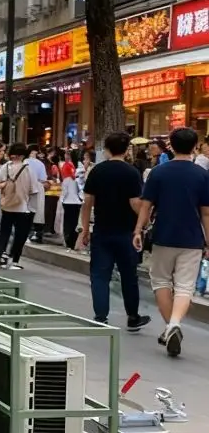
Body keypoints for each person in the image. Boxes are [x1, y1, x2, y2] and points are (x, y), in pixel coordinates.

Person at [134, 126, 209, 358]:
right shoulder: (202, 175)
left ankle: (171, 327)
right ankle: (174, 324)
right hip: (192, 238)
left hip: (163, 235)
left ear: (171, 146)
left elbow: (146, 205)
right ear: (195, 146)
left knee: (161, 281)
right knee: (185, 286)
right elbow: (206, 213)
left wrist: (138, 230)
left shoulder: (158, 172)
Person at [76, 133, 150, 331]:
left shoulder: (97, 171)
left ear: (106, 149)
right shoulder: (131, 172)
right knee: (129, 275)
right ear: (126, 150)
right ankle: (132, 317)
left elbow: (87, 202)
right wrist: (143, 224)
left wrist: (85, 229)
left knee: (100, 275)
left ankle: (100, 317)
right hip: (126, 232)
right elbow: (135, 203)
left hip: (102, 230)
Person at [0, 143, 36, 270]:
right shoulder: (28, 169)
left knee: (4, 232)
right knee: (20, 235)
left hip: (7, 205)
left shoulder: (4, 168)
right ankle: (14, 261)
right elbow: (33, 189)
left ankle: (1, 257)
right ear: (23, 155)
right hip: (23, 207)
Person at [59, 150, 83, 250]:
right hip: (77, 202)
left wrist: (61, 200)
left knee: (68, 223)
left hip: (68, 202)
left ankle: (68, 241)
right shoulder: (80, 173)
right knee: (75, 222)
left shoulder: (67, 177)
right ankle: (74, 241)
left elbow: (64, 191)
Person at [25, 146, 49, 242]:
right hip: (38, 187)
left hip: (25, 187)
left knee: (26, 210)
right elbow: (43, 178)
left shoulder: (24, 162)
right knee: (38, 211)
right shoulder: (40, 164)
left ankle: (27, 233)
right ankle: (37, 234)